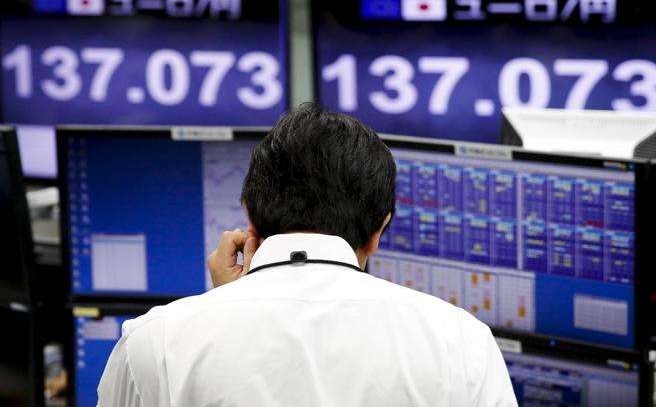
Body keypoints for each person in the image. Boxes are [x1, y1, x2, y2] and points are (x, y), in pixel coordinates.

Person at [97, 103, 517, 406]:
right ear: (379, 230)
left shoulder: (155, 342)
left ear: (249, 217)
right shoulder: (462, 343)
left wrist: (220, 305)